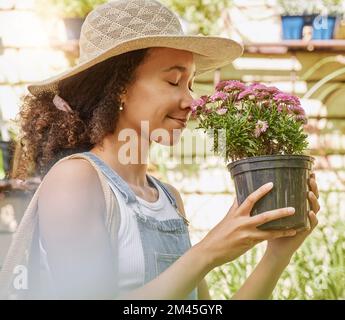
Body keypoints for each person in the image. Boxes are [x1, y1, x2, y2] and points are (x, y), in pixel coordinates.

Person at [5, 0, 320, 299]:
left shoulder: (169, 199)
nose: (191, 101)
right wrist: (208, 251)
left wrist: (278, 254)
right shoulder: (75, 180)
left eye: (191, 84)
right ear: (119, 88)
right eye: (173, 82)